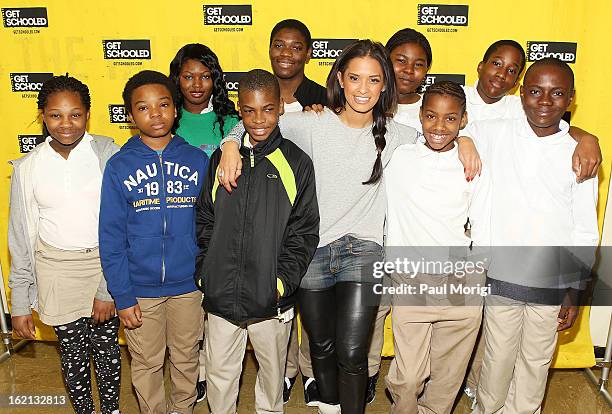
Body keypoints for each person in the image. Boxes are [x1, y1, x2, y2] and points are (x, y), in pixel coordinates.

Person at [217, 39, 481, 414]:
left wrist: (468, 141)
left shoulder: (400, 134)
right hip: (314, 251)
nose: (363, 89)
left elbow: (444, 135)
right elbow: (259, 123)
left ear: (384, 85)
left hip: (364, 251)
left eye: (373, 80)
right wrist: (230, 144)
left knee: (354, 352)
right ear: (340, 78)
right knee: (322, 345)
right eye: (355, 78)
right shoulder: (312, 123)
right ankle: (330, 406)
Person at [462, 40, 602, 405]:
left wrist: (575, 288)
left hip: (551, 281)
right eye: (536, 91)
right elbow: (461, 132)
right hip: (502, 275)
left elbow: (585, 228)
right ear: (521, 93)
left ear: (570, 99)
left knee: (536, 361)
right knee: (496, 359)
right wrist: (465, 140)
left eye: (557, 93)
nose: (544, 101)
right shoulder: (495, 132)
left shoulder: (579, 154)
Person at [196, 68, 319, 414]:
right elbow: (205, 218)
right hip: (221, 294)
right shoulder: (221, 159)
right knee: (220, 375)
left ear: (280, 107)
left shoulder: (296, 162)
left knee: (271, 380)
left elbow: (304, 231)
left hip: (271, 301)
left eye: (267, 109)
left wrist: (280, 283)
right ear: (239, 110)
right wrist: (207, 273)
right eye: (249, 110)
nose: (259, 119)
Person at [8, 75, 121, 414]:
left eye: (76, 114)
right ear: (42, 115)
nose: (66, 124)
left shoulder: (108, 155)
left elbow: (121, 226)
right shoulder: (28, 168)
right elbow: (20, 239)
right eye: (56, 115)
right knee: (73, 355)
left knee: (107, 351)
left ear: (88, 114)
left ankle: (111, 410)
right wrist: (20, 301)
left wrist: (106, 289)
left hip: (103, 267)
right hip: (55, 272)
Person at [99, 70, 208, 414]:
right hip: (139, 290)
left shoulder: (197, 160)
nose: (155, 114)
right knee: (145, 363)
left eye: (163, 105)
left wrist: (206, 277)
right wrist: (122, 294)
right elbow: (111, 236)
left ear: (175, 108)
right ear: (131, 117)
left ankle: (183, 409)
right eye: (143, 108)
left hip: (188, 287)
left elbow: (210, 226)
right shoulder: (119, 166)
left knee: (186, 358)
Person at [384, 81, 488, 414]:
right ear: (420, 116)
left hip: (461, 281)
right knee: (410, 376)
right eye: (431, 116)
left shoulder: (473, 164)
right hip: (410, 280)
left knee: (447, 375)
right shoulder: (398, 156)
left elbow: (482, 223)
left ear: (463, 119)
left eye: (450, 119)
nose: (439, 127)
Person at [169, 42, 239, 402]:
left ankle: (215, 378)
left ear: (216, 79)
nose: (197, 84)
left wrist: (230, 140)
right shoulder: (167, 119)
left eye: (205, 76)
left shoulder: (230, 123)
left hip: (220, 232)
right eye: (188, 76)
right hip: (178, 231)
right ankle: (193, 376)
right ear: (176, 80)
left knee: (217, 315)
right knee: (187, 316)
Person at [268, 18, 326, 406]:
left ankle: (309, 372)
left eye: (295, 46)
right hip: (270, 214)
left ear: (308, 52)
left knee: (313, 300)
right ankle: (286, 370)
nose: (287, 53)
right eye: (279, 45)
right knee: (280, 299)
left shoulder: (323, 96)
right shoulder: (259, 91)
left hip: (311, 211)